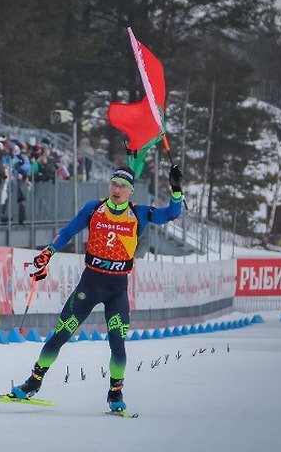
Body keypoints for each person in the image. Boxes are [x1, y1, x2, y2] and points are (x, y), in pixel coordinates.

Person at [10, 164, 183, 413]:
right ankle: (33, 382)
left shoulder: (139, 213)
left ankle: (115, 393)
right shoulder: (94, 208)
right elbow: (68, 231)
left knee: (117, 343)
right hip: (90, 285)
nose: (117, 189)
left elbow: (171, 214)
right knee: (60, 334)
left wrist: (176, 190)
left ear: (131, 191)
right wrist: (49, 251)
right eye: (114, 184)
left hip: (117, 290)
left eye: (122, 186)